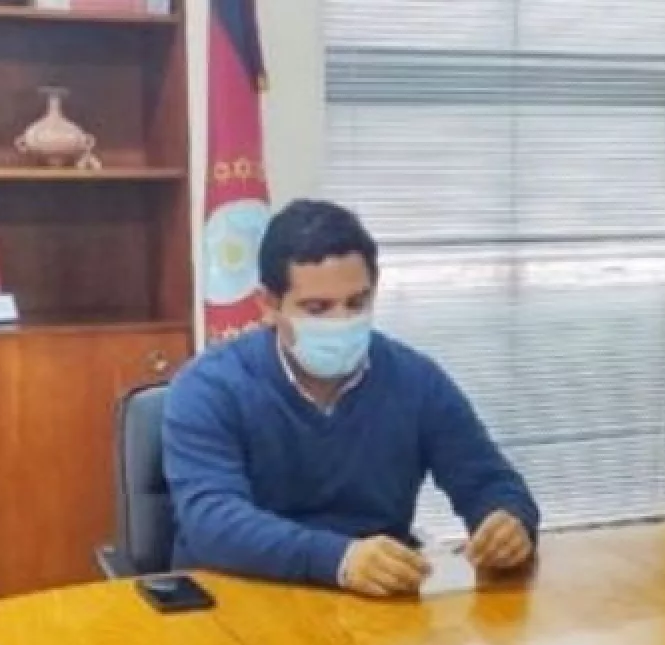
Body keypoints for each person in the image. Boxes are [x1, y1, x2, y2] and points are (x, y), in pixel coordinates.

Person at [164, 199, 539, 597]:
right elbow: (212, 523)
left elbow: (491, 482)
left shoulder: (415, 379)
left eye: (357, 303)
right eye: (317, 308)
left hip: (375, 602)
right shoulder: (209, 387)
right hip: (240, 599)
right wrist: (338, 560)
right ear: (269, 306)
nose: (341, 322)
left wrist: (509, 521)